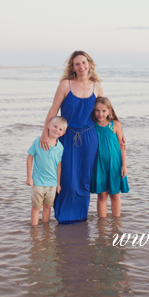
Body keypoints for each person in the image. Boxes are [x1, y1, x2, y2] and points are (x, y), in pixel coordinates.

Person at [40, 51, 111, 223]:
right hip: (67, 138)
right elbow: (53, 111)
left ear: (89, 64)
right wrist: (45, 134)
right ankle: (63, 216)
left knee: (83, 180)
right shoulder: (65, 85)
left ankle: (80, 218)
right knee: (66, 179)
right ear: (72, 67)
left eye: (84, 63)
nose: (81, 66)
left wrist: (117, 132)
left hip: (89, 139)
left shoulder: (97, 86)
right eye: (77, 64)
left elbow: (104, 112)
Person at [90, 97, 129, 217]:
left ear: (110, 111)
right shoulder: (91, 125)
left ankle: (116, 223)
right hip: (99, 165)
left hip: (114, 164)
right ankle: (102, 225)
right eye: (97, 110)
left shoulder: (115, 125)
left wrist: (124, 165)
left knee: (115, 194)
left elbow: (122, 146)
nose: (100, 114)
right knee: (101, 195)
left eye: (103, 111)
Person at [27, 116, 68, 226]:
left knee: (47, 207)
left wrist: (58, 184)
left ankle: (46, 229)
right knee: (36, 207)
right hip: (38, 183)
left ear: (63, 133)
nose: (56, 130)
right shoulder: (38, 142)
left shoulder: (60, 147)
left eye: (60, 129)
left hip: (52, 184)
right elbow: (29, 157)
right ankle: (34, 230)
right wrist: (29, 177)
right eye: (55, 126)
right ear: (48, 126)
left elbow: (59, 165)